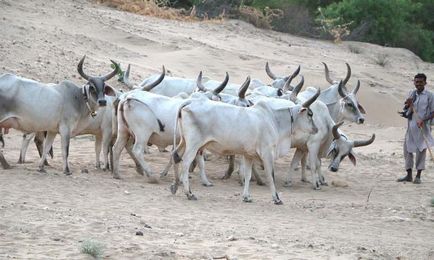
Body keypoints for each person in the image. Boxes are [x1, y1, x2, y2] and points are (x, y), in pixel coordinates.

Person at [398, 73, 434, 184]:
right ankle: (408, 175)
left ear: (425, 83)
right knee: (407, 150)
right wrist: (407, 105)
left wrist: (424, 120)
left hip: (423, 127)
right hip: (411, 126)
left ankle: (418, 176)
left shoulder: (430, 95)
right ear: (414, 82)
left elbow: (433, 112)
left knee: (421, 150)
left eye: (420, 82)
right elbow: (407, 108)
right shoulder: (411, 93)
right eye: (416, 82)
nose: (418, 84)